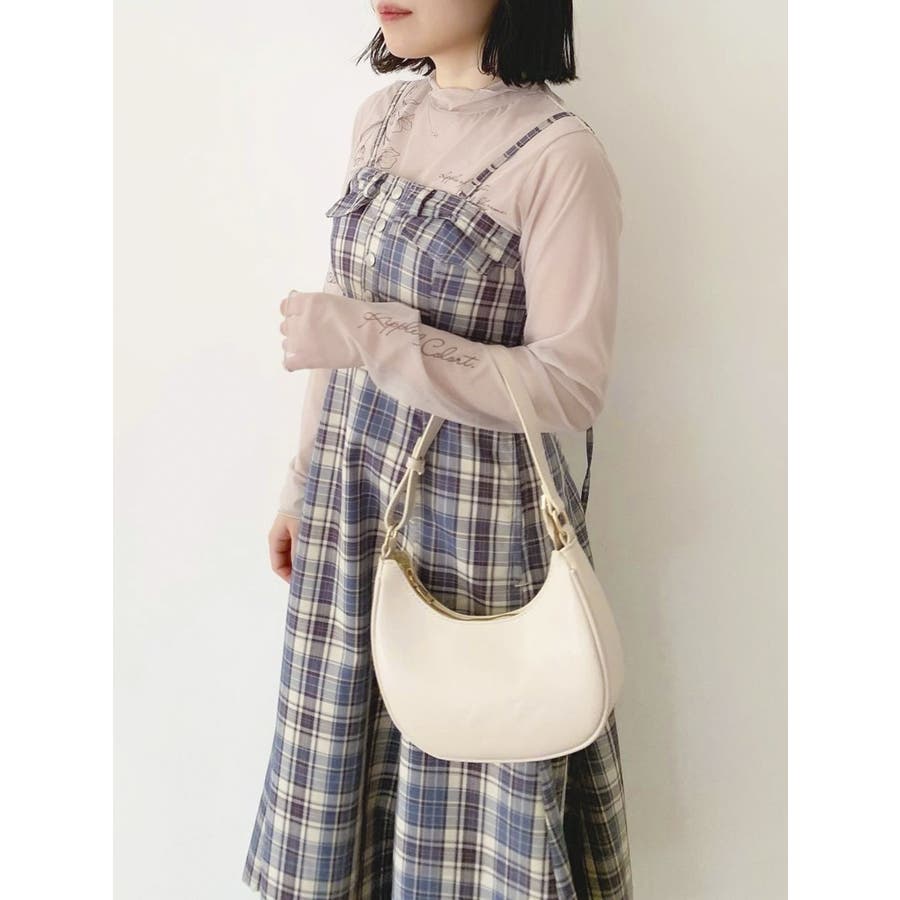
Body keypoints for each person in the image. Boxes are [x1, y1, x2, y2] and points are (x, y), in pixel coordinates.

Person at [244, 2, 633, 897]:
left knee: (469, 803)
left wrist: (370, 336)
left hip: (475, 539)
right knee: (349, 799)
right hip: (352, 507)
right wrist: (300, 486)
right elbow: (339, 323)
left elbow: (571, 386)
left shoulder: (559, 156)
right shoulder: (382, 118)